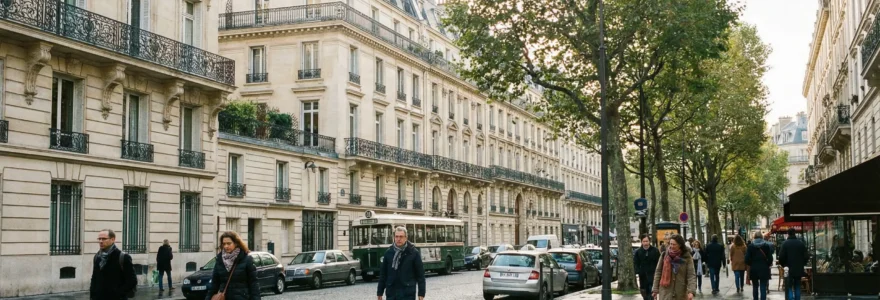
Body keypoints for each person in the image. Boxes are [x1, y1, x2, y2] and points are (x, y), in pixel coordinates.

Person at [205, 231, 260, 300]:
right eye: (224, 244)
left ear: (236, 243)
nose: (226, 246)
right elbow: (214, 284)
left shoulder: (246, 259)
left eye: (229, 243)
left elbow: (254, 283)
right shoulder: (219, 260)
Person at [377, 226, 426, 300]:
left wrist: (421, 293)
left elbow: (420, 275)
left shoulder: (413, 253)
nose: (398, 239)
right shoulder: (389, 253)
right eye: (396, 236)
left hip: (407, 293)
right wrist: (379, 292)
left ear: (406, 238)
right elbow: (383, 274)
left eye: (401, 237)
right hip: (392, 293)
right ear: (394, 237)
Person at [90, 229, 136, 300]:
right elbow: (94, 279)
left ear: (113, 239)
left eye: (104, 239)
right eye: (99, 239)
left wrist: (118, 294)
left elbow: (132, 281)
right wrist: (92, 296)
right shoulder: (97, 257)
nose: (101, 241)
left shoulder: (122, 257)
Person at [652, 234, 697, 300]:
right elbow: (658, 272)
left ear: (680, 245)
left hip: (680, 292)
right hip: (665, 292)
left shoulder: (687, 257)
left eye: (674, 244)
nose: (672, 246)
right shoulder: (664, 255)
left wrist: (691, 291)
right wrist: (655, 289)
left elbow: (691, 275)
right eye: (671, 244)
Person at [779, 228, 809, 300]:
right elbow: (806, 256)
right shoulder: (801, 243)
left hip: (788, 269)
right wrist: (802, 263)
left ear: (788, 234)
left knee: (789, 286)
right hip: (798, 268)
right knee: (797, 286)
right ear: (794, 233)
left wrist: (784, 265)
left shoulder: (785, 244)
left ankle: (791, 298)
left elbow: (781, 257)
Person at [745, 231, 774, 300]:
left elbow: (747, 259)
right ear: (761, 237)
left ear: (754, 237)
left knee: (755, 286)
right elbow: (770, 258)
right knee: (763, 286)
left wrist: (751, 264)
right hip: (764, 268)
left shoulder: (751, 246)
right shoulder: (766, 246)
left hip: (754, 269)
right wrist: (767, 264)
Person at [634, 234, 660, 300]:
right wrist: (638, 271)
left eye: (647, 241)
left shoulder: (655, 251)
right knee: (644, 292)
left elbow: (659, 262)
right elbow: (636, 263)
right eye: (644, 241)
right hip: (643, 276)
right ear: (641, 242)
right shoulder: (638, 252)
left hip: (653, 275)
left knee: (651, 293)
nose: (645, 243)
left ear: (649, 241)